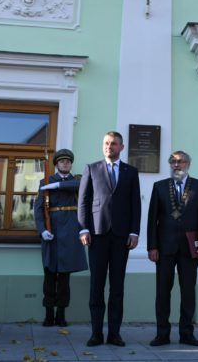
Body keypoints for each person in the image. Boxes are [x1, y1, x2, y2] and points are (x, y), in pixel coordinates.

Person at [78, 132, 141, 347]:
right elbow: (83, 202)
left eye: (113, 144)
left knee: (117, 287)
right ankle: (96, 333)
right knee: (96, 286)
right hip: (96, 235)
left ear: (121, 147)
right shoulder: (91, 168)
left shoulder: (131, 172)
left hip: (121, 237)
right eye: (106, 143)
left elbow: (135, 204)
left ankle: (114, 333)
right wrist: (83, 229)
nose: (109, 147)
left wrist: (134, 232)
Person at [147, 151, 198, 347]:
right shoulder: (159, 187)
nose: (177, 165)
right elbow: (152, 220)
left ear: (188, 164)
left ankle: (186, 333)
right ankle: (162, 334)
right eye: (173, 162)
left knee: (188, 292)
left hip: (190, 249)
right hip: (164, 248)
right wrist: (152, 246)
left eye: (181, 161)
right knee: (162, 292)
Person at [34, 149, 88, 327]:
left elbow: (79, 187)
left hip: (71, 232)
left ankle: (61, 314)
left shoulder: (78, 180)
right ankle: (49, 314)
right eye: (62, 161)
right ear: (56, 164)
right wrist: (42, 230)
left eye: (68, 161)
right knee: (49, 275)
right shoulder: (45, 182)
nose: (65, 164)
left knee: (65, 277)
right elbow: (39, 210)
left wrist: (57, 186)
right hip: (52, 232)